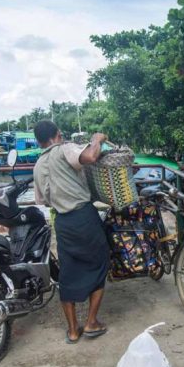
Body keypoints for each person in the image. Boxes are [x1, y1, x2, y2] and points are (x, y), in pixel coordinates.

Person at [32, 120, 109, 343]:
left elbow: (43, 200)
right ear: (57, 134)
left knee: (68, 272)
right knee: (100, 261)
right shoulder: (64, 149)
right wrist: (96, 139)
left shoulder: (38, 165)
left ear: (38, 141)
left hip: (62, 222)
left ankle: (73, 330)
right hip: (83, 216)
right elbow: (90, 158)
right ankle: (92, 322)